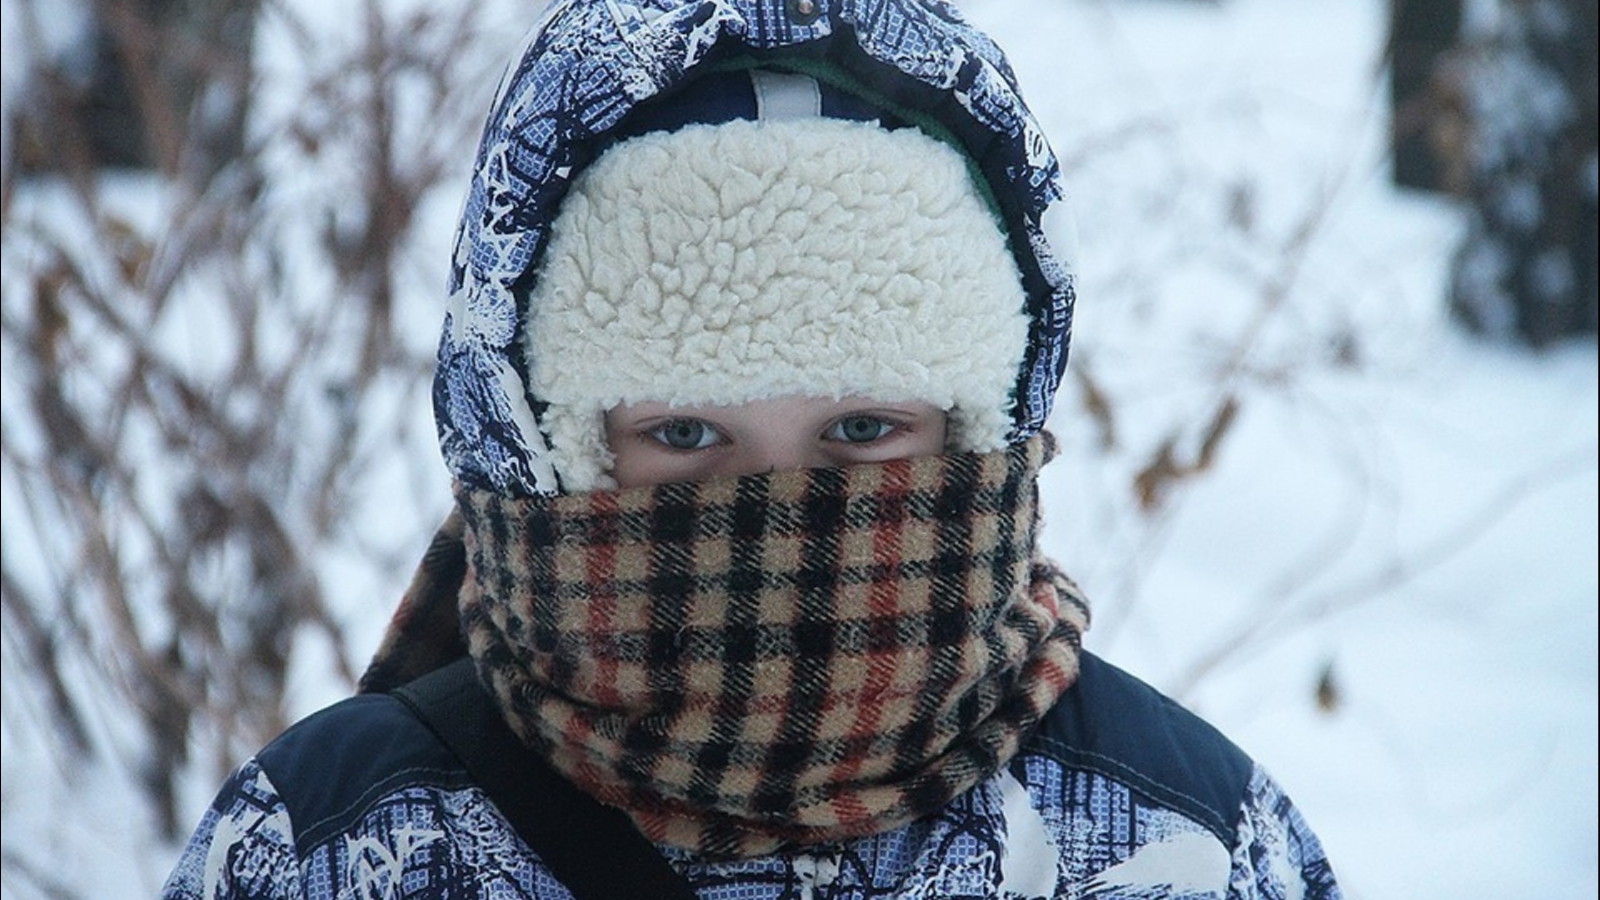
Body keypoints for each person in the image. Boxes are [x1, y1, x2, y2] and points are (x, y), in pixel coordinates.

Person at [162, 0, 1343, 896]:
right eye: (683, 433)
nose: (783, 508)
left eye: (863, 430)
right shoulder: (337, 846)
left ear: (984, 429)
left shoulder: (1189, 847)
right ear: (540, 455)